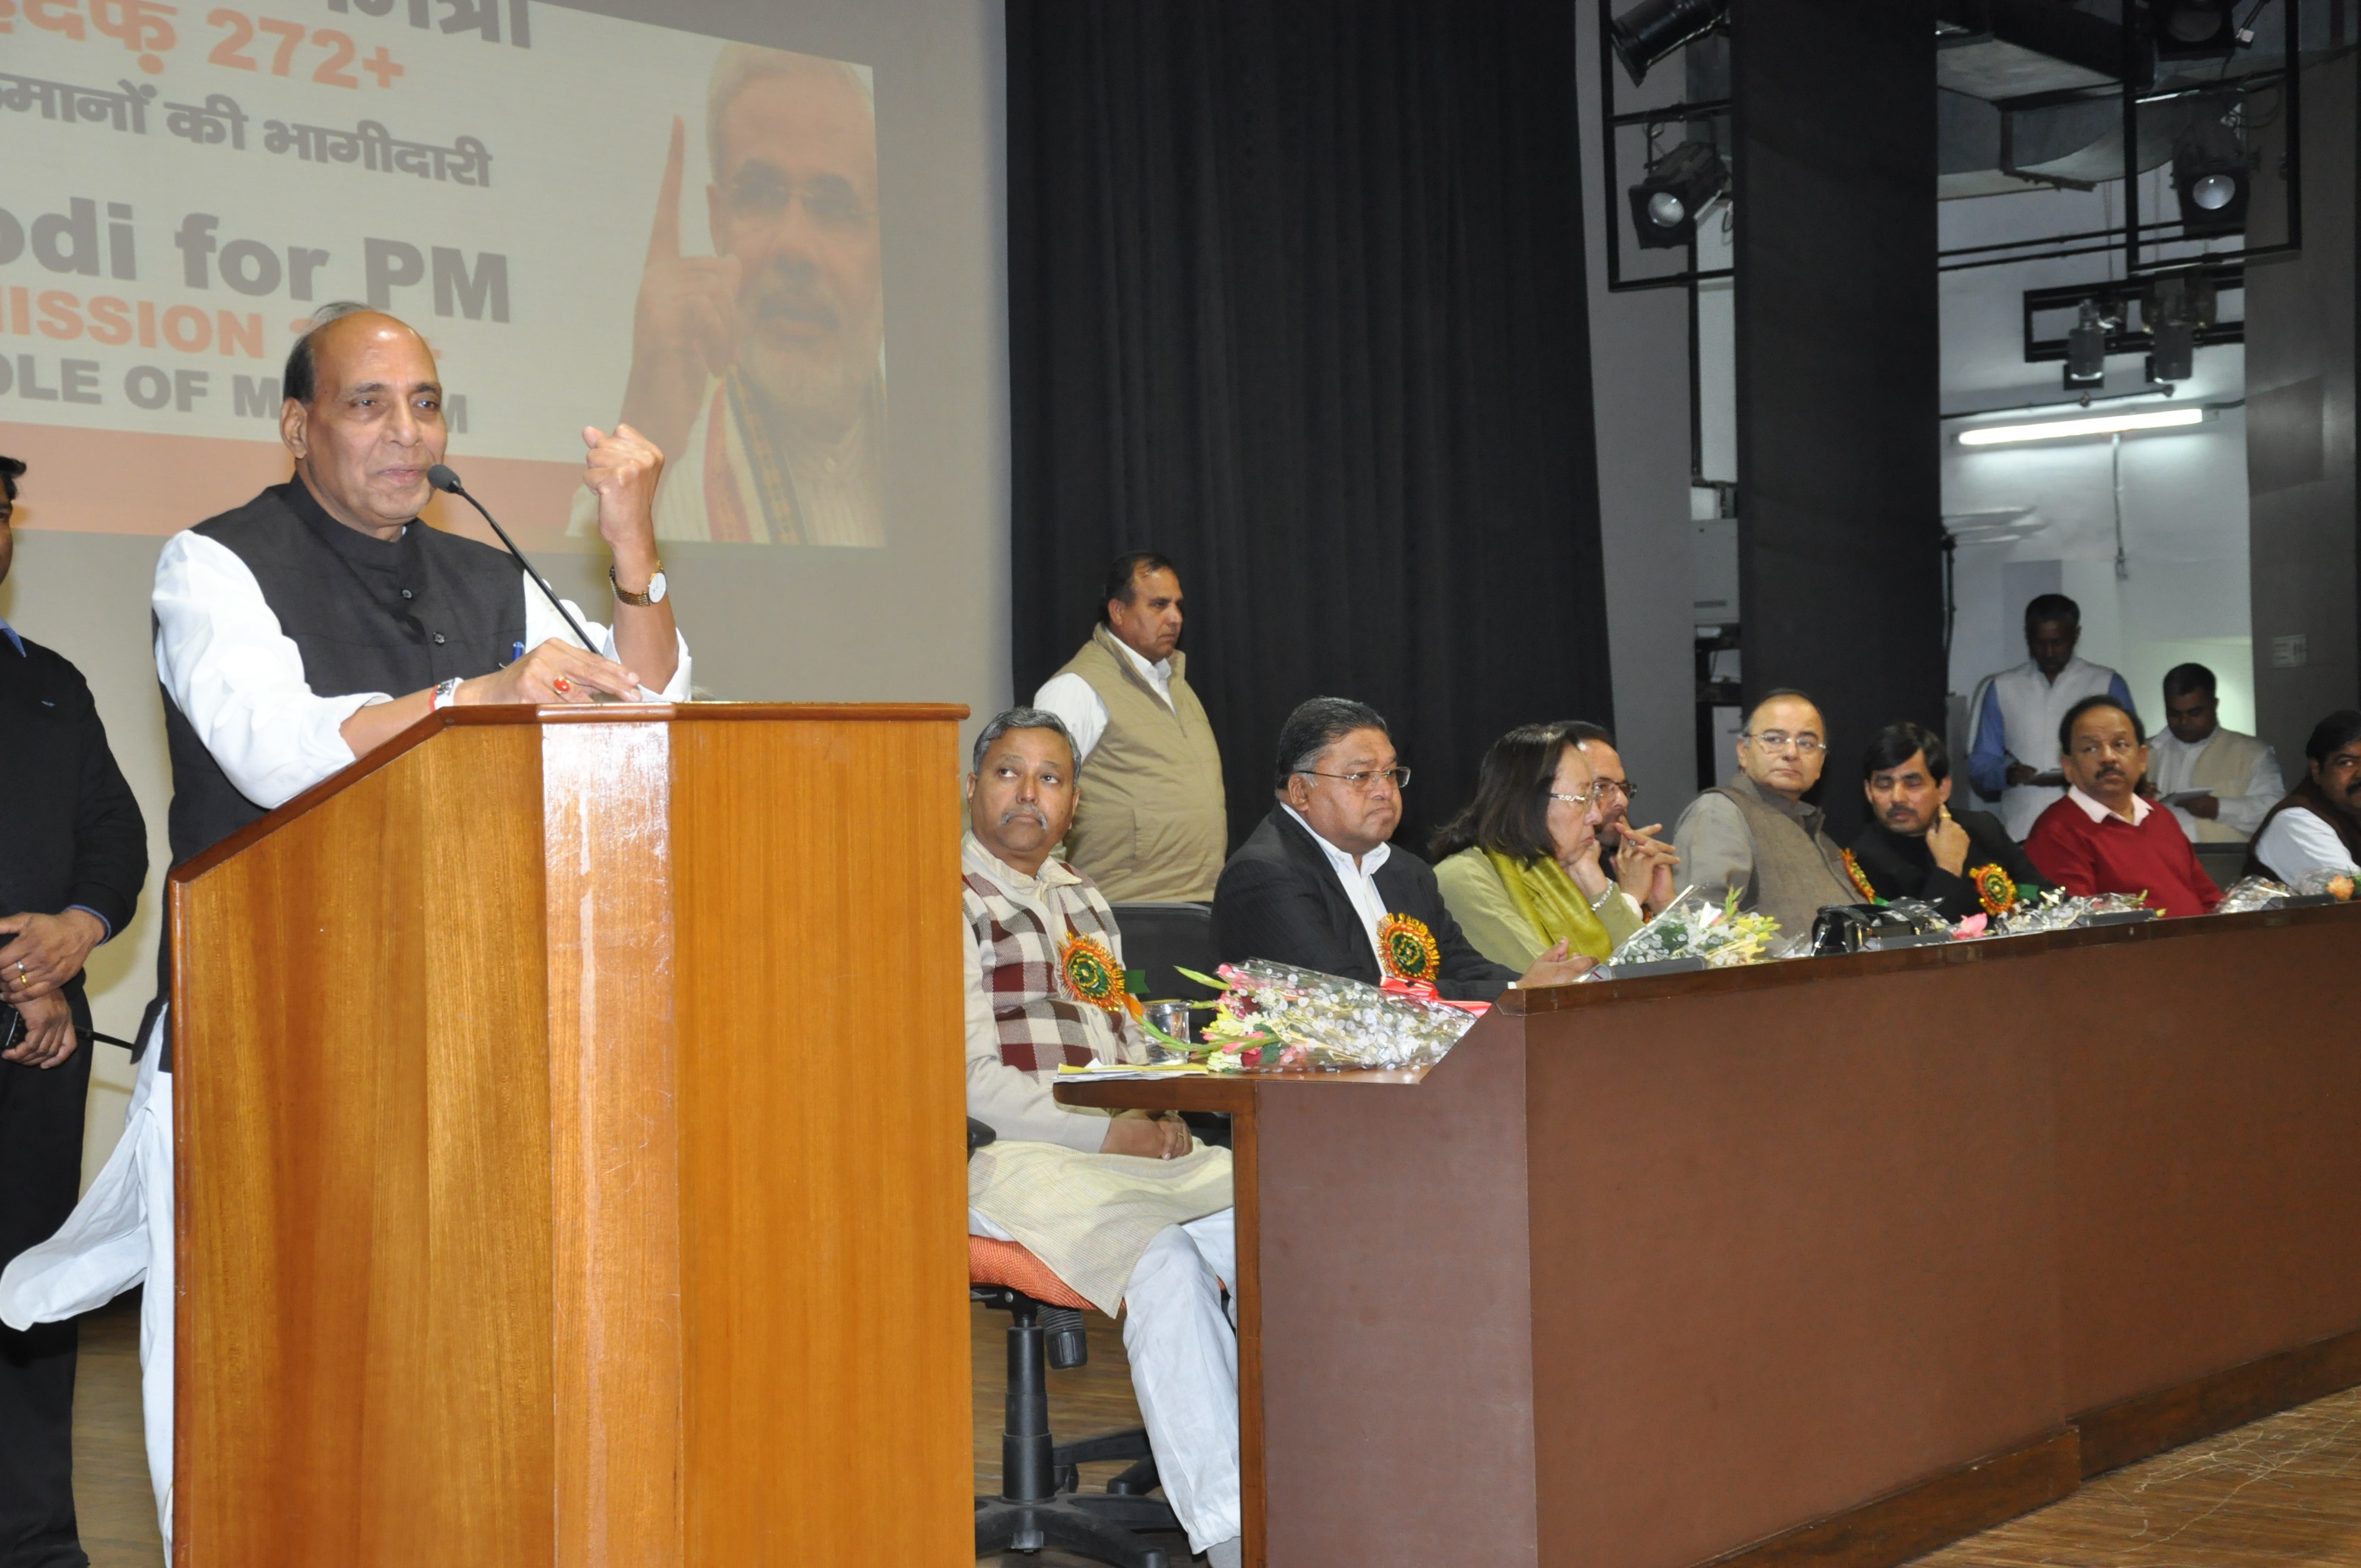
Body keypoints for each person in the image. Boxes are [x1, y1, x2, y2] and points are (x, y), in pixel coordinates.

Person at [0, 304, 692, 1551]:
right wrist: (478, 695)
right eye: (368, 402)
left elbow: (644, 710)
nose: (404, 428)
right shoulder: (211, 565)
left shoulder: (494, 574)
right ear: (296, 426)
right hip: (269, 1055)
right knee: (258, 1426)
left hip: (466, 1057)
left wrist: (632, 553)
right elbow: (276, 754)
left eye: (423, 401)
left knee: (452, 1420)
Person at [957, 708, 1241, 1568]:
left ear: (1073, 803)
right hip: (1000, 1155)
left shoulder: (1081, 895)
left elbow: (1123, 1039)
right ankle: (1236, 1534)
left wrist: (1163, 1098)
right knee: (1164, 1259)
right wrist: (1105, 1132)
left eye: (1050, 779)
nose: (1027, 794)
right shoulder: (934, 892)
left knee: (1294, 1218)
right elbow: (962, 1080)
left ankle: (1321, 1480)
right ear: (972, 787)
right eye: (1009, 773)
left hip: (1124, 1146)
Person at [0, 454, 148, 1568]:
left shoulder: (49, 680)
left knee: (30, 1298)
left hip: (36, 1055)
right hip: (25, 1010)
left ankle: (39, 1537)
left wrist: (77, 933)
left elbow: (117, 837)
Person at [579, 45, 885, 546]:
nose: (794, 247)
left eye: (834, 207)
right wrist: (644, 452)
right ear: (718, 223)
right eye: (760, 196)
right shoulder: (660, 468)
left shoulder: (948, 466)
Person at [1211, 699, 1591, 999]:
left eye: (1390, 773)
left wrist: (1539, 985)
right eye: (1361, 776)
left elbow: (1461, 965)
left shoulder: (1407, 872)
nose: (1383, 790)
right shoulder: (1267, 873)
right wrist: (1512, 992)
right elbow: (1347, 996)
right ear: (1300, 791)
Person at [1031, 553, 1227, 901]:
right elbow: (1039, 802)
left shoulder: (1175, 683)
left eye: (1178, 606)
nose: (1175, 618)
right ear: (1118, 611)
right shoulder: (1076, 688)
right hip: (1125, 907)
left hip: (1197, 900)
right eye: (1159, 605)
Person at [1429, 723, 1657, 969]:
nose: (1596, 817)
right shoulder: (1466, 878)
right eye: (1582, 799)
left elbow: (1652, 971)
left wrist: (1597, 887)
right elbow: (1552, 987)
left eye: (1594, 798)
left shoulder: (1560, 871)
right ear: (1529, 801)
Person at [1672, 689, 1857, 938]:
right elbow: (1703, 918)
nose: (1791, 753)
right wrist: (1794, 960)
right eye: (1774, 739)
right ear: (1742, 751)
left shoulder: (1817, 835)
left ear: (1821, 763)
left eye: (1806, 743)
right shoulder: (1722, 811)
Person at [2025, 696, 2220, 917]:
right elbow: (2077, 928)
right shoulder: (2056, 832)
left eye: (2120, 745)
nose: (2108, 757)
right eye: (2091, 748)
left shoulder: (2160, 816)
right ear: (2069, 767)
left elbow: (2210, 900)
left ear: (2142, 758)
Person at [1968, 594, 2135, 839]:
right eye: (2039, 643)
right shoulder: (2003, 688)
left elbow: (2128, 754)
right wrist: (2006, 773)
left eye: (2058, 643)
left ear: (2076, 635)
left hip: (2093, 825)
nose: (2049, 652)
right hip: (2022, 824)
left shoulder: (2106, 683)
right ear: (2027, 636)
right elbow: (1982, 763)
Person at [1845, 722, 2048, 920]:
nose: (1897, 798)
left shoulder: (1983, 828)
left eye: (1913, 784)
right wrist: (1948, 869)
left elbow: (2041, 894)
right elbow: (1915, 943)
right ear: (1869, 792)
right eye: (1884, 785)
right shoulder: (1860, 863)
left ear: (1943, 789)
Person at [2143, 663, 2283, 843]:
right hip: (2157, 862)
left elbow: (2275, 811)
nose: (2184, 721)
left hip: (2223, 865)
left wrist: (2218, 808)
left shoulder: (2252, 753)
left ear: (2214, 705)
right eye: (2174, 713)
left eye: (2195, 712)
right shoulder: (2143, 753)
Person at [1562, 720, 1679, 917]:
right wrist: (1631, 898)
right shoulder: (1531, 881)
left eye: (1623, 788)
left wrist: (1663, 904)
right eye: (1602, 787)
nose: (1622, 801)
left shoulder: (1618, 863)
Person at [2246, 710, 2361, 888]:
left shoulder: (2350, 813)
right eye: (2346, 763)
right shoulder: (2296, 822)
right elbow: (2351, 891)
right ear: (2317, 770)